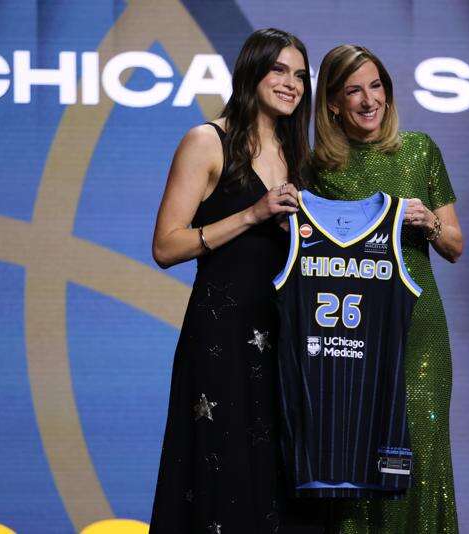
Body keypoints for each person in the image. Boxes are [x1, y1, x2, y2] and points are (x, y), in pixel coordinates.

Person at [149, 28, 312, 533]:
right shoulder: (207, 141)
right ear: (251, 71)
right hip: (222, 338)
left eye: (300, 75)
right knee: (220, 477)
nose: (291, 83)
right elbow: (166, 246)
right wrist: (251, 215)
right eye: (279, 70)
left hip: (286, 341)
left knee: (277, 484)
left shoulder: (298, 155)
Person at [312, 45, 463, 533]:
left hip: (419, 329)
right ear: (333, 103)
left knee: (421, 451)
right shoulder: (316, 167)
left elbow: (455, 246)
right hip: (351, 331)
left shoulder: (420, 150)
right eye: (354, 90)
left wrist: (430, 224)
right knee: (357, 452)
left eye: (376, 86)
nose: (369, 99)